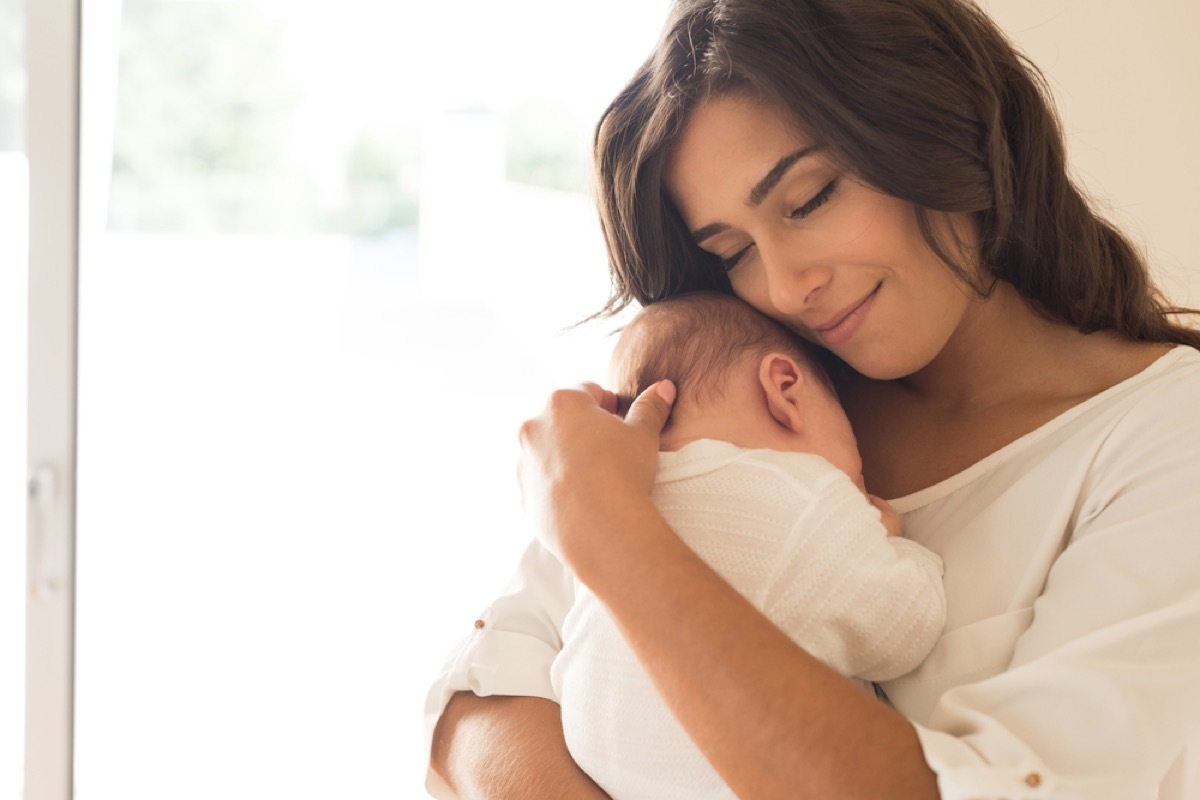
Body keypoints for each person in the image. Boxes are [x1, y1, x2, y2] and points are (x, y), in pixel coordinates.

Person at [426, 1, 1200, 798]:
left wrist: (612, 535)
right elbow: (476, 711)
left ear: (938, 124)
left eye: (809, 199)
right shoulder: (750, 400)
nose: (788, 287)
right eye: (733, 252)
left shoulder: (1166, 436)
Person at [550, 290, 946, 799]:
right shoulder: (802, 495)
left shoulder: (613, 501)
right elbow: (902, 632)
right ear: (785, 389)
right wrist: (897, 547)